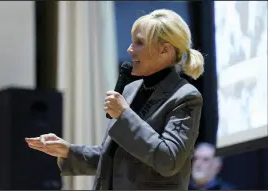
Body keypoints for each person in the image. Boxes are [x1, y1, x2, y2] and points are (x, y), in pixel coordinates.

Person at [25, 9, 204, 190]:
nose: (130, 49)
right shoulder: (131, 90)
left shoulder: (185, 97)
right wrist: (69, 151)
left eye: (139, 43)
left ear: (165, 50)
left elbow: (168, 160)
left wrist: (125, 115)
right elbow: (115, 160)